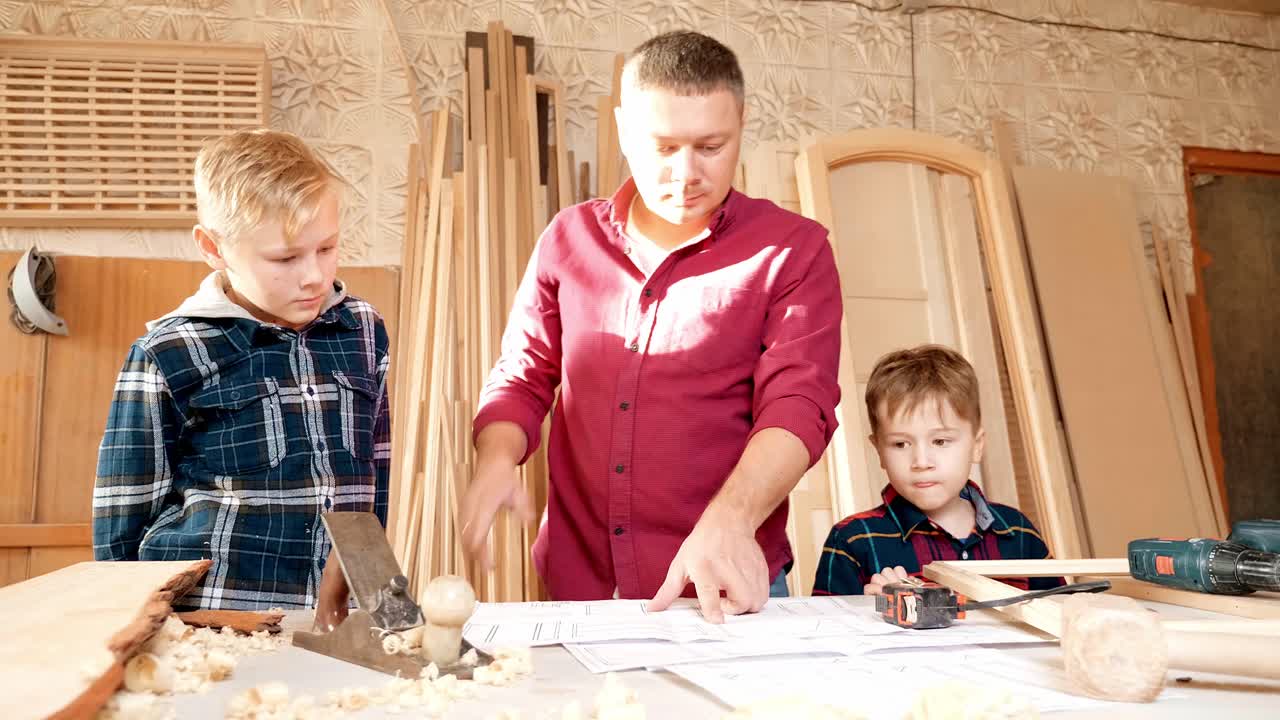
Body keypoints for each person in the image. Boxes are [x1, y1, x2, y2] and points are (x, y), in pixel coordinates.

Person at [460, 31, 843, 622]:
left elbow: (799, 404)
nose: (685, 173)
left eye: (711, 146)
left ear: (742, 122)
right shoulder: (569, 239)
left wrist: (732, 518)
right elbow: (524, 373)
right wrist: (495, 459)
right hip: (579, 584)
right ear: (623, 129)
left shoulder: (793, 251)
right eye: (663, 147)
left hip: (720, 587)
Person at [92, 129, 389, 627]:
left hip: (340, 617)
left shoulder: (362, 329)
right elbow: (122, 517)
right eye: (285, 258)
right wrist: (124, 627)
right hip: (216, 618)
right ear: (214, 248)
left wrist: (381, 604)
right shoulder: (168, 351)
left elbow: (377, 479)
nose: (314, 276)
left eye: (327, 248)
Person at [813, 345, 1063, 596]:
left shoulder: (1018, 531)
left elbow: (1066, 612)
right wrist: (872, 611)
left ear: (976, 446)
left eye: (940, 441)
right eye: (901, 444)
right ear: (879, 450)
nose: (921, 462)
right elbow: (825, 620)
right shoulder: (851, 541)